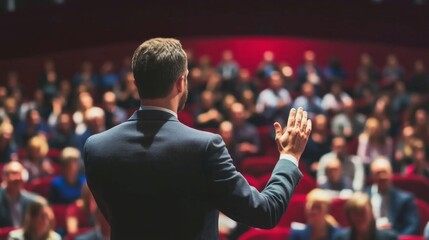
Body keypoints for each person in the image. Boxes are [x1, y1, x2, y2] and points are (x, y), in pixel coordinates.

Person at [83, 38, 312, 240]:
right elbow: (264, 212)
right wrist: (289, 157)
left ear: (136, 84)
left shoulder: (96, 147)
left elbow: (111, 214)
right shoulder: (204, 147)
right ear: (181, 83)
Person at [365, 156, 419, 236]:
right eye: (378, 173)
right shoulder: (364, 197)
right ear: (372, 176)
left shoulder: (405, 199)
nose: (382, 176)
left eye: (385, 172)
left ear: (391, 174)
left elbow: (413, 227)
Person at [333, 192, 398, 240]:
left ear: (371, 213)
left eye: (363, 212)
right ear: (349, 216)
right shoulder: (340, 238)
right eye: (356, 213)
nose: (359, 218)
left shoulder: (389, 238)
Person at [0, 161, 47, 227]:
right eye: (14, 174)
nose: (18, 178)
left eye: (20, 174)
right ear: (4, 177)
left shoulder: (33, 201)